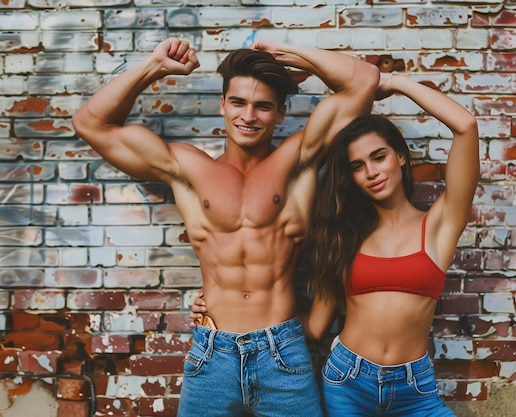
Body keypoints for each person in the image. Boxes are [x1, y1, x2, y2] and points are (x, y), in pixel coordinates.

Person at [72, 37, 380, 417]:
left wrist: (285, 54)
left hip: (281, 351)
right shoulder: (186, 167)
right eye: (238, 102)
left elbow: (364, 80)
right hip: (211, 353)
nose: (248, 116)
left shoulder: (299, 158)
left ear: (280, 113)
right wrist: (155, 65)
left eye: (262, 106)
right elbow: (90, 122)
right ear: (222, 104)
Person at [193, 74, 478, 415]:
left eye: (379, 156)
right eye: (358, 166)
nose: (371, 171)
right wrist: (228, 314)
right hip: (348, 381)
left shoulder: (439, 225)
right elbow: (314, 327)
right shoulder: (343, 236)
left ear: (400, 157)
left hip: (415, 389)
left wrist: (399, 84)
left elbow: (466, 126)